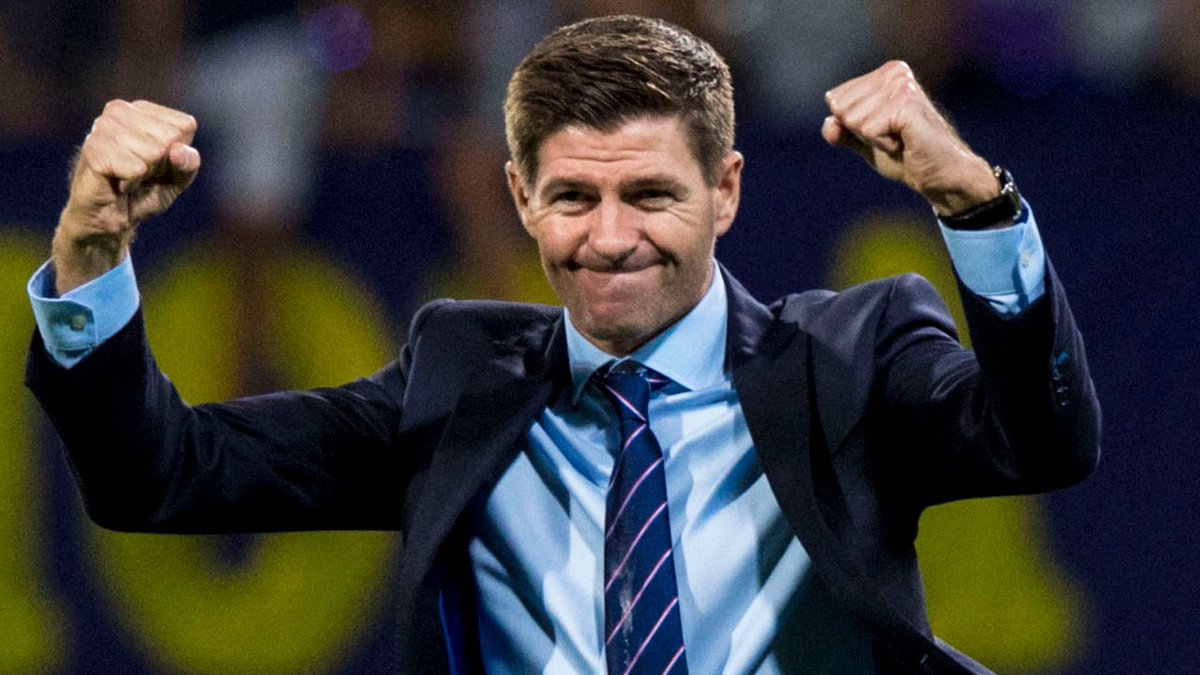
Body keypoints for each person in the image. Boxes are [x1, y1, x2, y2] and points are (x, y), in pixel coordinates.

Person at [25, 14, 1099, 675]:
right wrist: (90, 253)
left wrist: (976, 204)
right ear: (520, 198)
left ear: (726, 191)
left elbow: (1043, 441)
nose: (611, 237)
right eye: (574, 197)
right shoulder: (457, 378)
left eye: (651, 195)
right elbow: (161, 476)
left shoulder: (850, 356)